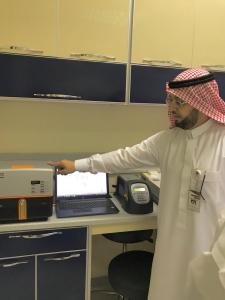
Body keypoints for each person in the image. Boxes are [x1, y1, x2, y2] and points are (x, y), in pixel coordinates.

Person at [48, 68, 225, 300]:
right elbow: (124, 157)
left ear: (200, 102)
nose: (171, 108)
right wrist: (77, 165)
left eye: (179, 102)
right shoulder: (167, 141)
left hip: (209, 257)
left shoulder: (222, 143)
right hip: (170, 253)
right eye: (170, 100)